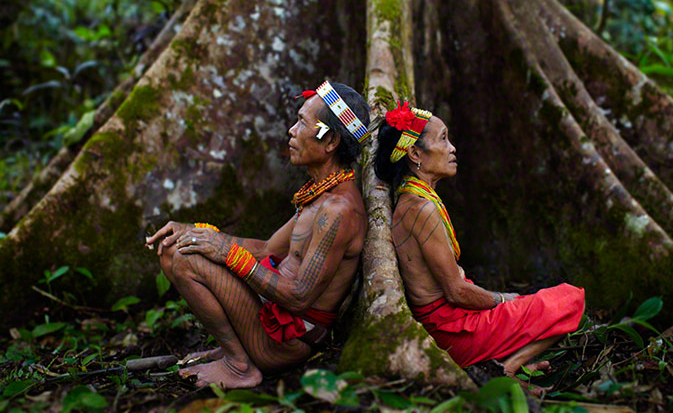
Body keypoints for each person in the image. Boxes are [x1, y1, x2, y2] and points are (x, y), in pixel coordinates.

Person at [146, 81, 370, 389]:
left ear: (329, 140)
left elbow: (299, 297)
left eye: (302, 123)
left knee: (183, 258)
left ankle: (239, 365)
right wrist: (199, 232)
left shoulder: (339, 211)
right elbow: (265, 249)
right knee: (178, 246)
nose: (291, 130)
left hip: (284, 342)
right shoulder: (321, 196)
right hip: (270, 318)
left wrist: (227, 254)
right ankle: (233, 350)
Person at [374, 101, 585, 384]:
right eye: (443, 139)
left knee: (533, 302)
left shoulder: (414, 199)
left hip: (451, 322)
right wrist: (500, 299)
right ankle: (507, 373)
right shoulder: (420, 209)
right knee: (571, 300)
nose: (453, 148)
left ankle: (506, 364)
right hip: (454, 331)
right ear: (415, 153)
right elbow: (456, 292)